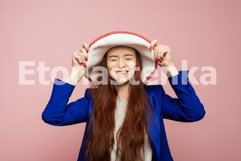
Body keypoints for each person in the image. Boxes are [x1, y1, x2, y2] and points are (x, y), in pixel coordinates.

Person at [42, 31, 206, 161]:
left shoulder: (155, 97)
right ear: (105, 67)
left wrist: (169, 66)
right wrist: (75, 72)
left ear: (138, 64)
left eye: (128, 58)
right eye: (113, 59)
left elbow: (194, 112)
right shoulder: (93, 99)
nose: (121, 65)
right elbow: (53, 116)